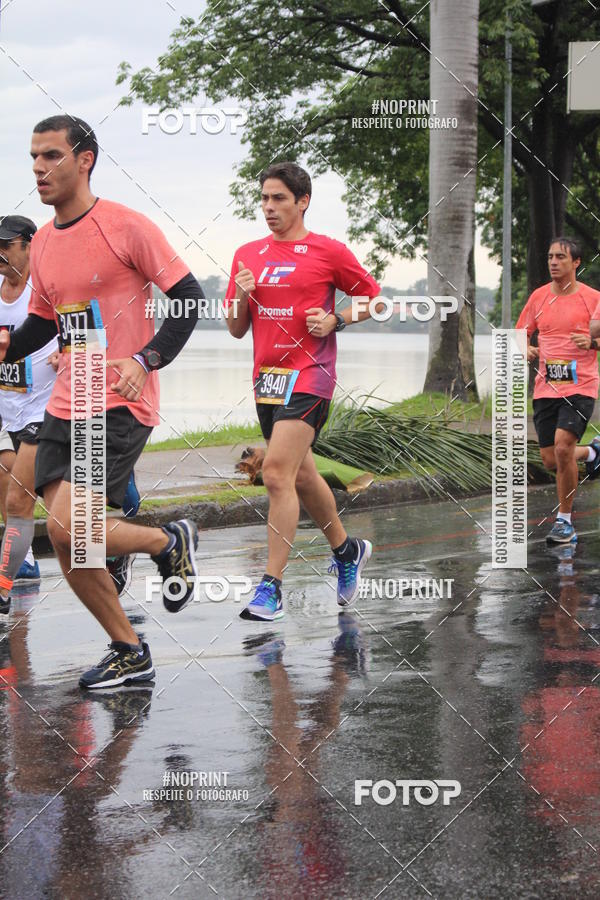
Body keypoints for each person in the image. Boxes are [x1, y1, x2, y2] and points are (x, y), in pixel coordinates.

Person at [0, 114, 204, 688]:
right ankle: (129, 650)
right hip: (65, 403)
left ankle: (168, 541)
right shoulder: (42, 241)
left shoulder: (125, 226)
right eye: (33, 157)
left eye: (51, 156)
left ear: (84, 160)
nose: (39, 168)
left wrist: (146, 359)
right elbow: (46, 321)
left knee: (72, 527)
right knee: (70, 543)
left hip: (115, 400)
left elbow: (189, 298)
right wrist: (8, 344)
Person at [225, 162, 382, 621]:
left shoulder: (327, 251)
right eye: (264, 199)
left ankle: (271, 588)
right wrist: (241, 296)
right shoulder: (247, 254)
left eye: (279, 198)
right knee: (302, 477)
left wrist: (337, 319)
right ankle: (347, 550)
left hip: (311, 375)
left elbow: (374, 299)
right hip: (267, 381)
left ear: (303, 201)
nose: (269, 207)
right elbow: (235, 328)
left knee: (275, 473)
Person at [517, 236, 600, 544]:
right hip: (546, 389)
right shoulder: (539, 297)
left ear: (576, 262)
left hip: (581, 385)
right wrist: (524, 348)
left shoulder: (592, 298)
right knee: (552, 459)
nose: (553, 262)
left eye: (561, 257)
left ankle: (564, 522)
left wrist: (592, 342)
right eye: (551, 256)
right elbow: (518, 334)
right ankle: (593, 452)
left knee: (564, 448)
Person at [0, 215, 56, 615]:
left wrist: (68, 352)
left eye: (6, 245)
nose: (0, 253)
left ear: (29, 244)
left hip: (45, 405)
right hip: (6, 407)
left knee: (27, 498)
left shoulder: (48, 285)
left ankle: (5, 582)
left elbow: (91, 326)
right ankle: (22, 562)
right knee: (11, 489)